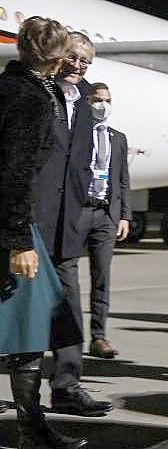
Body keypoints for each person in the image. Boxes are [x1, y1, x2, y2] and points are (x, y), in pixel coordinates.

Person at [0, 16, 88, 448]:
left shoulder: (12, 86)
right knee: (31, 329)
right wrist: (19, 240)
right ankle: (31, 431)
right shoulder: (30, 98)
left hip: (11, 221)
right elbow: (14, 172)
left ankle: (31, 428)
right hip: (11, 226)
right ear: (54, 57)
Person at [38, 31, 115, 418]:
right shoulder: (36, 91)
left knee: (68, 308)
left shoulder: (85, 100)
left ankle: (67, 387)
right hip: (30, 223)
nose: (78, 65)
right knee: (15, 310)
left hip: (67, 224)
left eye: (85, 60)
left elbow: (81, 163)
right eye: (72, 57)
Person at [77, 82, 132, 359]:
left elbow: (123, 179)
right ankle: (67, 336)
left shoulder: (117, 138)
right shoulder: (76, 134)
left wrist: (124, 215)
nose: (103, 105)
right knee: (66, 275)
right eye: (97, 100)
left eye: (107, 100)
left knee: (102, 277)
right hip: (78, 211)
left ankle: (99, 337)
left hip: (106, 214)